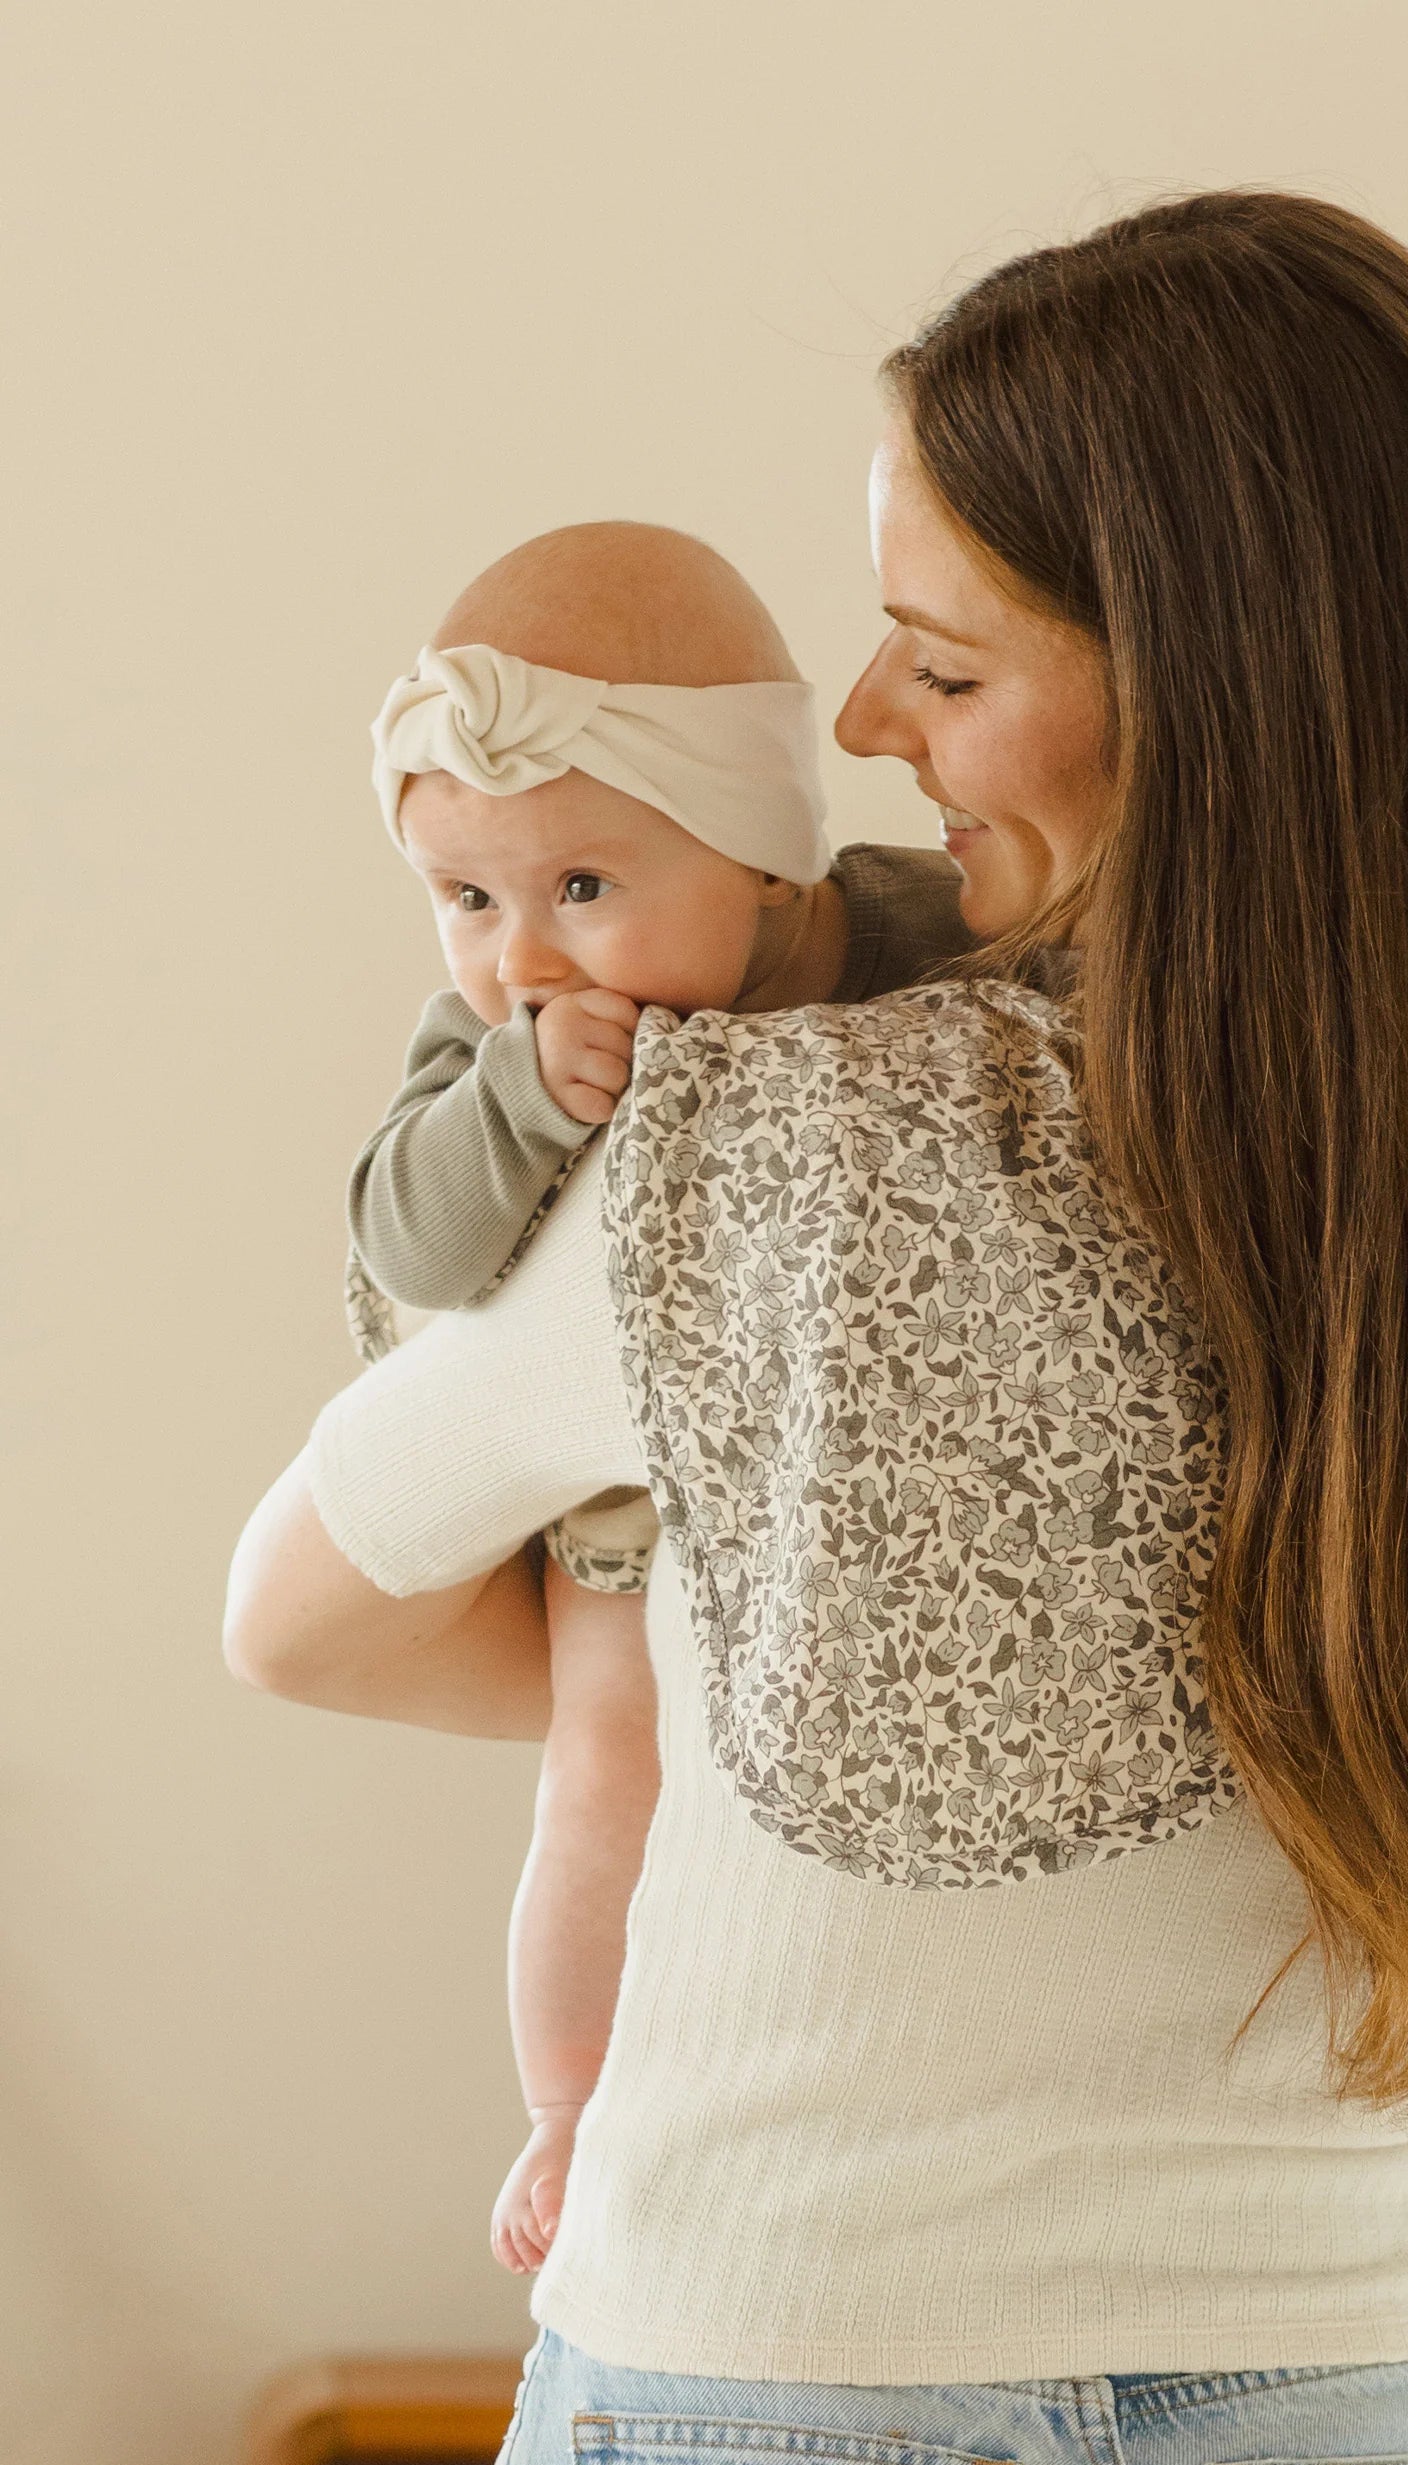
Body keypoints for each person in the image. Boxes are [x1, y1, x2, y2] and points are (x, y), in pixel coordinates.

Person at [225, 192, 1408, 2465]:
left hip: (787, 2407)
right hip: (1334, 2428)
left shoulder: (793, 1153)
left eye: (937, 670)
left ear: (1199, 686)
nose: (857, 725)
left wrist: (781, 1594)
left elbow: (299, 1608)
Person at [343, 520, 975, 2276]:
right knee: (607, 1783)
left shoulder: (911, 941)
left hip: (847, 1489)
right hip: (629, 1530)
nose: (520, 954)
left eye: (582, 890)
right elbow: (408, 1240)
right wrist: (522, 1106)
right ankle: (569, 2103)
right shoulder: (485, 1049)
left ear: (764, 851)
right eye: (466, 899)